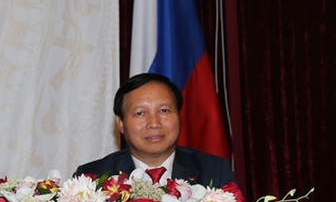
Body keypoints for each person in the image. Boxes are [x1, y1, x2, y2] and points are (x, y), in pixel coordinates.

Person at [74, 72, 235, 187]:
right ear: (121, 124)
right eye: (140, 113)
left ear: (179, 116)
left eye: (164, 111)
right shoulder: (93, 176)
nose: (154, 123)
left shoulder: (214, 171)